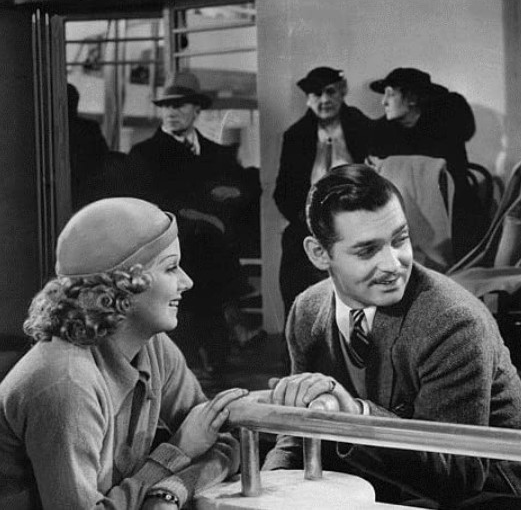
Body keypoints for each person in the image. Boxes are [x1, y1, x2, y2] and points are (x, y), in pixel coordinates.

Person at [260, 164, 521, 507]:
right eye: (367, 250)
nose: (393, 264)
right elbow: (298, 435)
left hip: (496, 495)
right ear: (319, 253)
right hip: (386, 484)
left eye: (400, 239)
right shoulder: (307, 311)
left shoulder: (453, 321)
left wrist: (355, 415)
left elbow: (457, 473)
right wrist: (268, 491)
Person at [0, 198, 249, 509]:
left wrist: (169, 491)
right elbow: (192, 446)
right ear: (122, 286)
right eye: (171, 267)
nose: (187, 282)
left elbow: (222, 441)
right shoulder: (67, 383)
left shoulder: (153, 348)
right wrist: (175, 456)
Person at [129, 71, 254, 375]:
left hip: (212, 252)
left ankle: (222, 348)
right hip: (174, 248)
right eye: (166, 106)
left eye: (179, 105)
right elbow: (149, 204)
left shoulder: (215, 152)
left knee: (217, 352)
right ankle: (225, 334)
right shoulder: (144, 154)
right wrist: (202, 216)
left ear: (197, 109)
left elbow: (244, 188)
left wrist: (234, 193)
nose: (171, 112)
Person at [275, 66, 373, 314]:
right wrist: (307, 219)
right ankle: (299, 328)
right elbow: (282, 192)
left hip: (358, 221)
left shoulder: (362, 126)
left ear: (342, 92)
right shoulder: (296, 136)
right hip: (311, 222)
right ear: (308, 100)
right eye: (316, 94)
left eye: (330, 92)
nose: (324, 100)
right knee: (295, 253)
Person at [367, 67, 487, 260]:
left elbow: (449, 178)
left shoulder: (445, 124)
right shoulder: (383, 131)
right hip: (401, 213)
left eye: (391, 94)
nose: (383, 101)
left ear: (412, 98)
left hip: (453, 212)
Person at [67, 83, 110, 210]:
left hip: (82, 192)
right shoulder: (90, 128)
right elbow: (104, 159)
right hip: (88, 194)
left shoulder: (47, 131)